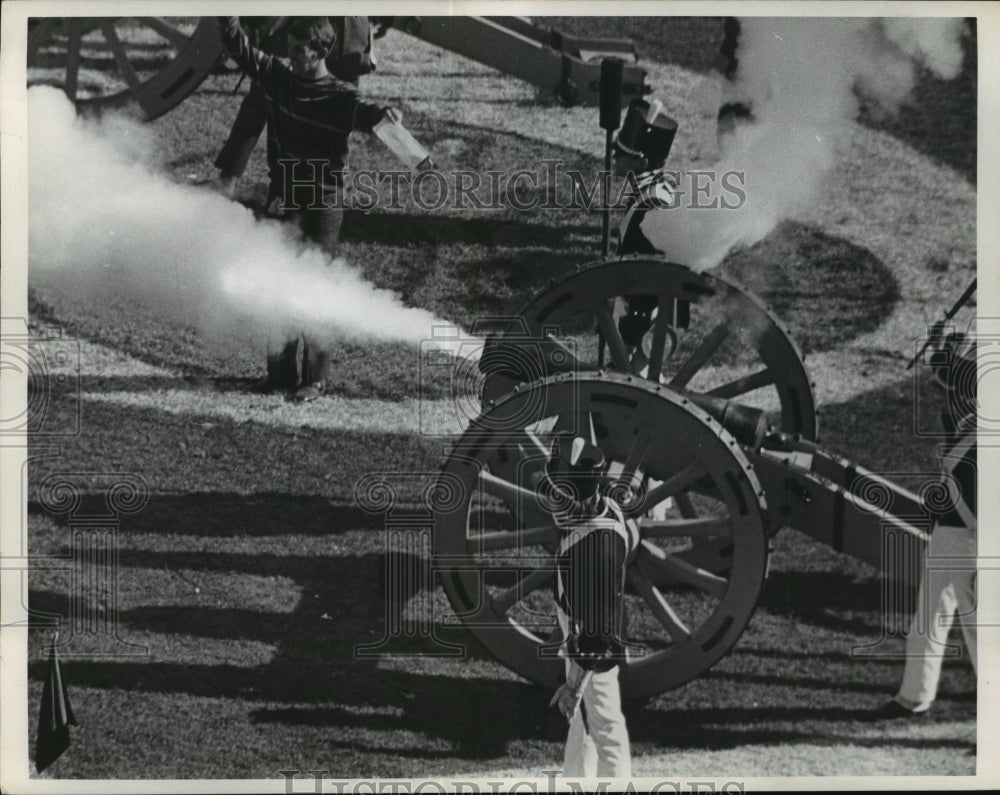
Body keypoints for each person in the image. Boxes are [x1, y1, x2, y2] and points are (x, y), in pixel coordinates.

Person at [217, 16, 397, 401]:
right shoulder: (278, 74)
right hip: (286, 195)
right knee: (277, 283)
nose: (292, 58)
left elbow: (368, 111)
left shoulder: (339, 95)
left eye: (300, 52)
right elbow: (238, 47)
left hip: (322, 204)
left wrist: (386, 114)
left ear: (320, 53)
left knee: (314, 287)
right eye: (290, 50)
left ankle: (314, 380)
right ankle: (279, 374)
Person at [874, 329, 978, 718]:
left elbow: (959, 374)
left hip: (974, 534)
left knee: (979, 630)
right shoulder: (964, 405)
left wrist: (945, 350)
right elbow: (951, 375)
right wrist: (941, 347)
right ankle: (914, 696)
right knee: (928, 617)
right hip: (952, 528)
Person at [546, 437, 634, 778]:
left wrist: (573, 686)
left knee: (604, 727)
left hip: (593, 650)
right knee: (583, 724)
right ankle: (575, 779)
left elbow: (596, 641)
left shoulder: (590, 550)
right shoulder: (607, 508)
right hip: (590, 635)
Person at [214, 17, 375, 199]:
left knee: (342, 112)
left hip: (349, 34)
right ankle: (228, 178)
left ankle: (324, 191)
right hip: (305, 25)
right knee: (261, 97)